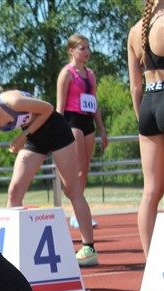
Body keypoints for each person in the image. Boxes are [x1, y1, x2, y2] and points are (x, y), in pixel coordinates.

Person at [0, 91, 99, 265]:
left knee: (72, 190)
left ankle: (89, 248)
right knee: (14, 191)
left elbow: (48, 109)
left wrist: (23, 136)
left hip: (56, 129)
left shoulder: (12, 101)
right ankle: (12, 252)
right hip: (34, 137)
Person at [56, 33, 109, 229]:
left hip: (88, 122)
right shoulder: (67, 73)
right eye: (82, 48)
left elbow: (94, 103)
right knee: (77, 168)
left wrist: (102, 129)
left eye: (88, 47)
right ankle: (75, 213)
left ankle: (79, 211)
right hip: (72, 120)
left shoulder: (90, 74)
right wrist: (57, 130)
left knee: (85, 168)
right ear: (71, 50)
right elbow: (59, 106)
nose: (86, 51)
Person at [128, 0, 164, 258]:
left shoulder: (135, 30)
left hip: (148, 106)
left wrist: (145, 121)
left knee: (150, 191)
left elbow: (134, 88)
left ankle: (151, 263)